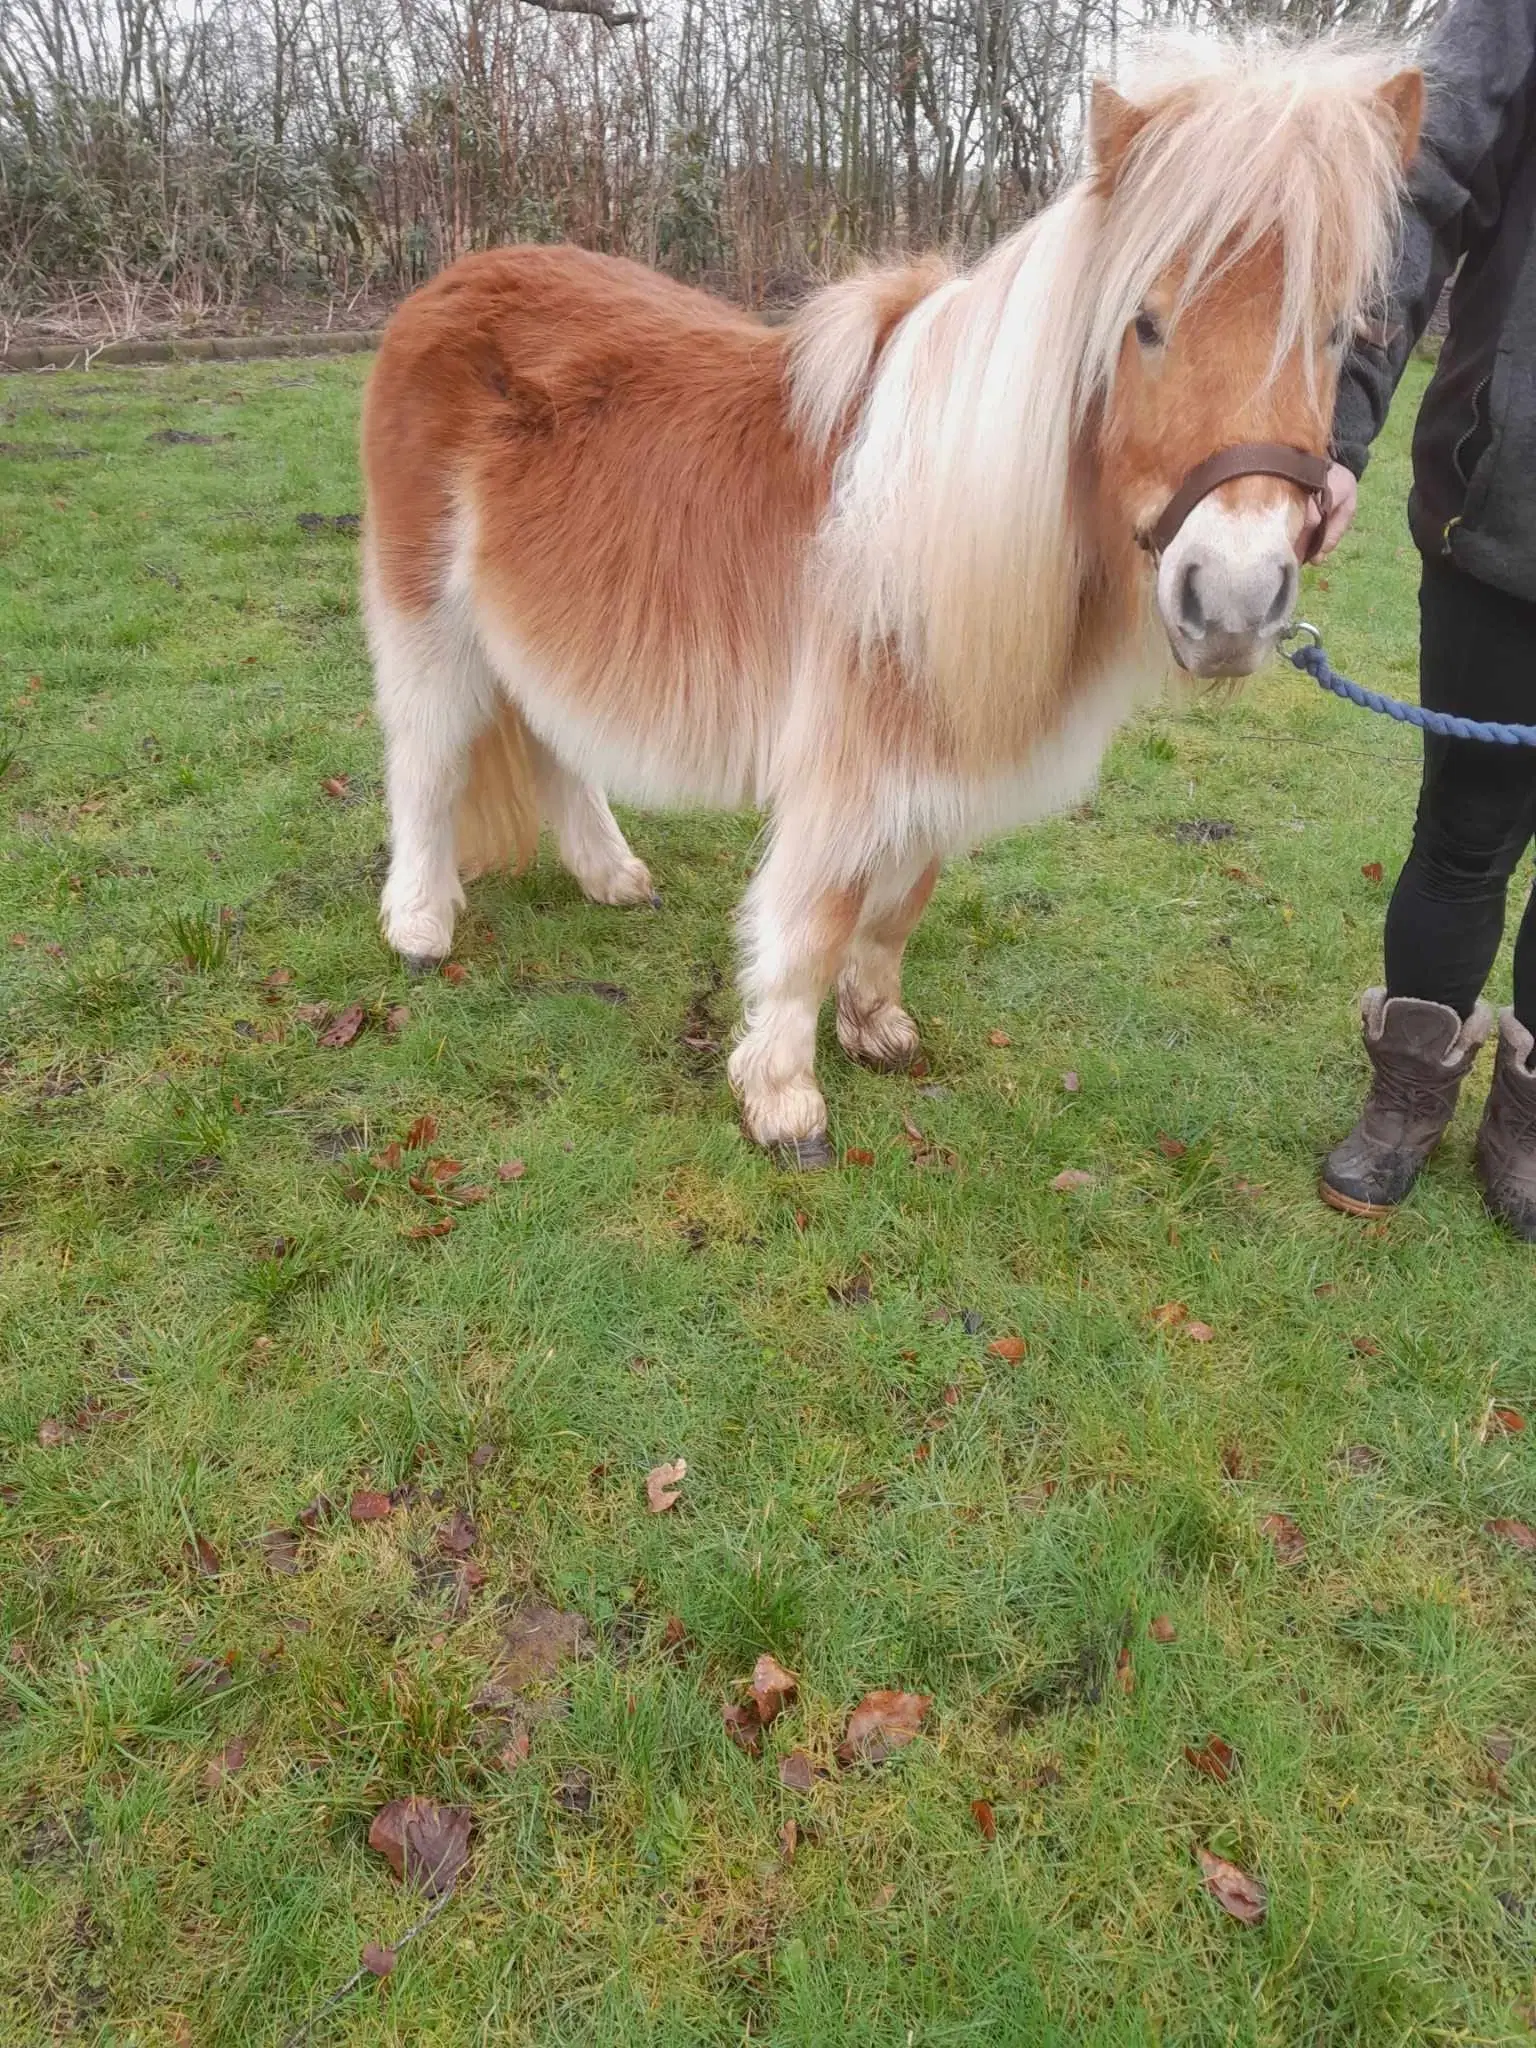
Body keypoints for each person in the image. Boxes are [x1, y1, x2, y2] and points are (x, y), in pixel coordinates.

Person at [1307, 0, 1536, 1239]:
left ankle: (1529, 1120)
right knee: (1466, 829)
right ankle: (1407, 1096)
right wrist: (1339, 427)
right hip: (1508, 522)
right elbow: (1417, 179)